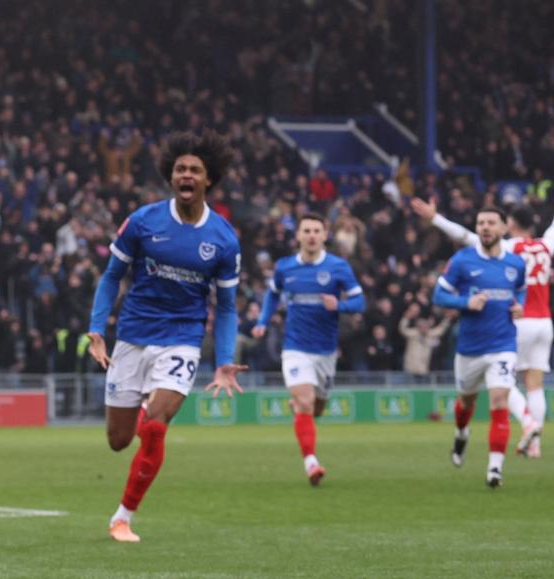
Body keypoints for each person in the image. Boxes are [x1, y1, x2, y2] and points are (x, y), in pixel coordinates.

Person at [86, 130, 247, 543]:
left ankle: (122, 517)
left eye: (195, 169)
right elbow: (111, 277)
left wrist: (224, 359)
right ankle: (142, 412)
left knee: (155, 427)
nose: (187, 175)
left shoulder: (224, 239)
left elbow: (226, 308)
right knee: (119, 441)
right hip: (134, 335)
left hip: (182, 338)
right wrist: (96, 328)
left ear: (208, 179)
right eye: (180, 169)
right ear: (170, 176)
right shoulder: (143, 222)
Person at [414, 191, 554, 458]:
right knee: (535, 383)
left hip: (516, 320)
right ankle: (535, 441)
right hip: (544, 322)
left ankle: (528, 423)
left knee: (504, 380)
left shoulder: (508, 249)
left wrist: (436, 218)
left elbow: (464, 236)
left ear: (510, 225)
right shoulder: (544, 246)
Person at [252, 214, 364, 485]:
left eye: (317, 230)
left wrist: (339, 306)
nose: (312, 235)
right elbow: (273, 294)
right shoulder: (285, 267)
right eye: (307, 231)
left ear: (325, 235)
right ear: (298, 236)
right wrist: (262, 321)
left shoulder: (338, 267)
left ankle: (302, 411)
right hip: (295, 347)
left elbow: (360, 302)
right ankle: (311, 463)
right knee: (305, 402)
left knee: (317, 408)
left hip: (326, 350)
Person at [432, 208, 526, 488]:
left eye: (490, 223)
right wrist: (465, 304)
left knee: (499, 401)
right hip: (470, 348)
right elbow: (439, 294)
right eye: (480, 222)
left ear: (503, 229)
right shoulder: (462, 261)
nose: (484, 227)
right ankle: (461, 433)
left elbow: (520, 289)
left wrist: (519, 306)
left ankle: (494, 469)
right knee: (466, 402)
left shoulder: (516, 264)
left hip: (503, 344)